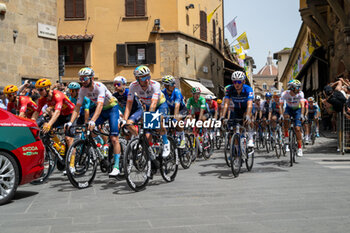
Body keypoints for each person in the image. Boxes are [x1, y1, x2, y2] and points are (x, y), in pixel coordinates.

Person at [65, 67, 121, 177]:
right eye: (81, 79)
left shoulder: (99, 87)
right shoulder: (82, 90)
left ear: (91, 78)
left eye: (85, 78)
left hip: (112, 109)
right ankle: (100, 150)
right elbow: (77, 107)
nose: (82, 81)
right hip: (101, 110)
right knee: (89, 129)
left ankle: (117, 167)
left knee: (114, 138)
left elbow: (100, 105)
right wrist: (71, 122)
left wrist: (93, 120)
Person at [122, 65, 170, 158]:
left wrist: (150, 116)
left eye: (148, 76)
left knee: (159, 120)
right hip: (147, 106)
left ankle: (166, 142)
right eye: (144, 77)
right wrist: (124, 119)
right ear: (137, 79)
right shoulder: (133, 86)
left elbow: (154, 102)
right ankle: (150, 154)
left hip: (160, 105)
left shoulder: (155, 85)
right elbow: (129, 104)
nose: (147, 79)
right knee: (147, 135)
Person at [221, 71, 254, 147]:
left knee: (248, 120)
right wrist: (222, 116)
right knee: (235, 129)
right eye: (235, 82)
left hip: (246, 108)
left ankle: (250, 138)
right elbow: (226, 103)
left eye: (239, 82)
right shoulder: (230, 89)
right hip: (236, 109)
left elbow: (249, 104)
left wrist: (248, 115)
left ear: (243, 82)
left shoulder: (248, 89)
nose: (237, 84)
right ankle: (236, 150)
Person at [280, 79, 305, 157]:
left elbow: (303, 105)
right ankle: (286, 137)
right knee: (286, 118)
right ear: (291, 88)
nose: (299, 89)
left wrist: (302, 115)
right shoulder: (285, 94)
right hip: (289, 109)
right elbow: (280, 106)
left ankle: (300, 148)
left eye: (299, 87)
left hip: (297, 110)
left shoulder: (300, 93)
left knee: (297, 128)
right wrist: (281, 115)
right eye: (297, 87)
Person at [161, 75, 187, 148]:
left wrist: (175, 118)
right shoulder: (163, 93)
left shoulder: (177, 92)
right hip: (170, 110)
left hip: (181, 109)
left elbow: (177, 106)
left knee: (177, 121)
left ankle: (182, 138)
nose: (174, 85)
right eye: (172, 84)